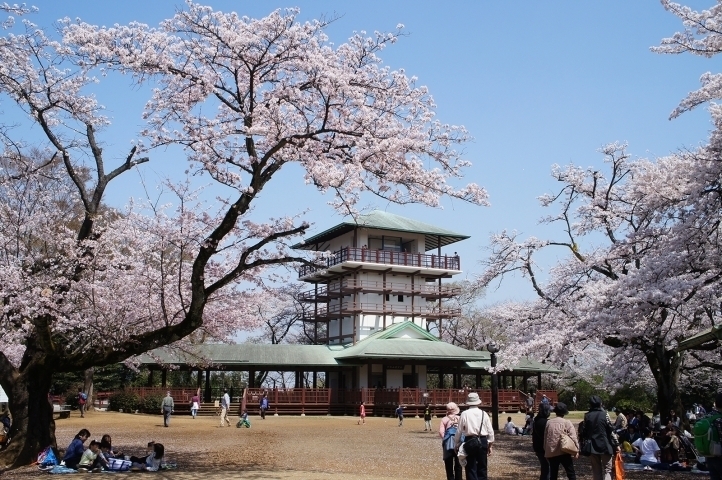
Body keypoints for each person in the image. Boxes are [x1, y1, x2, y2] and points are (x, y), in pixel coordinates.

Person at [455, 392, 494, 480]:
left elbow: (459, 430)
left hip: (469, 440)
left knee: (470, 467)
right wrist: (490, 445)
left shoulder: (464, 413)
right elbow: (490, 431)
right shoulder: (484, 414)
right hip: (482, 439)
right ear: (478, 402)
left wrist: (456, 443)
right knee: (482, 467)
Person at [582, 395, 618, 480]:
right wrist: (616, 444)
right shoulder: (605, 414)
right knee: (607, 469)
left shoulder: (587, 416)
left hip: (592, 445)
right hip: (605, 444)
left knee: (596, 470)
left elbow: (585, 431)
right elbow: (610, 430)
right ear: (600, 404)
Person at [544, 402, 578, 480]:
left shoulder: (549, 422)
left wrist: (546, 451)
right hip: (564, 451)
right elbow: (573, 436)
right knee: (570, 473)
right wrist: (577, 449)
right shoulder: (567, 422)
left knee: (553, 474)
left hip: (552, 451)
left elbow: (546, 438)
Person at [439, 402, 462, 480]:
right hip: (459, 442)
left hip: (448, 442)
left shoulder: (444, 419)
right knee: (458, 464)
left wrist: (444, 439)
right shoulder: (460, 418)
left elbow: (441, 432)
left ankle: (450, 478)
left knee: (448, 463)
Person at [533, 404, 552, 480]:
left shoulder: (536, 420)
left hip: (537, 447)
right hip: (545, 448)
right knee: (547, 469)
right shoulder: (547, 423)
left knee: (544, 468)